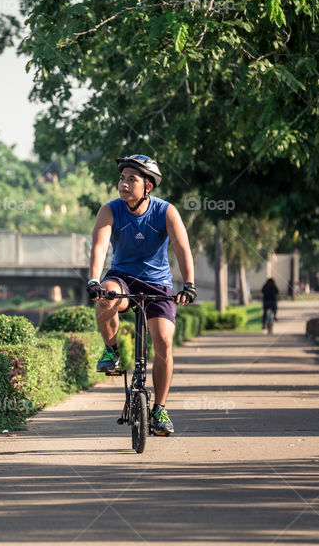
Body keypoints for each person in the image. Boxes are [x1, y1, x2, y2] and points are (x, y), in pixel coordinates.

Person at [86, 154, 195, 437]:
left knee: (164, 342)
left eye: (131, 179)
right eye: (122, 178)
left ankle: (159, 408)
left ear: (147, 186)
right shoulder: (110, 211)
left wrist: (190, 284)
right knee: (106, 294)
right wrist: (94, 279)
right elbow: (99, 247)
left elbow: (182, 248)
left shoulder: (166, 211)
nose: (123, 184)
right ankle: (112, 349)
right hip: (122, 279)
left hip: (157, 283)